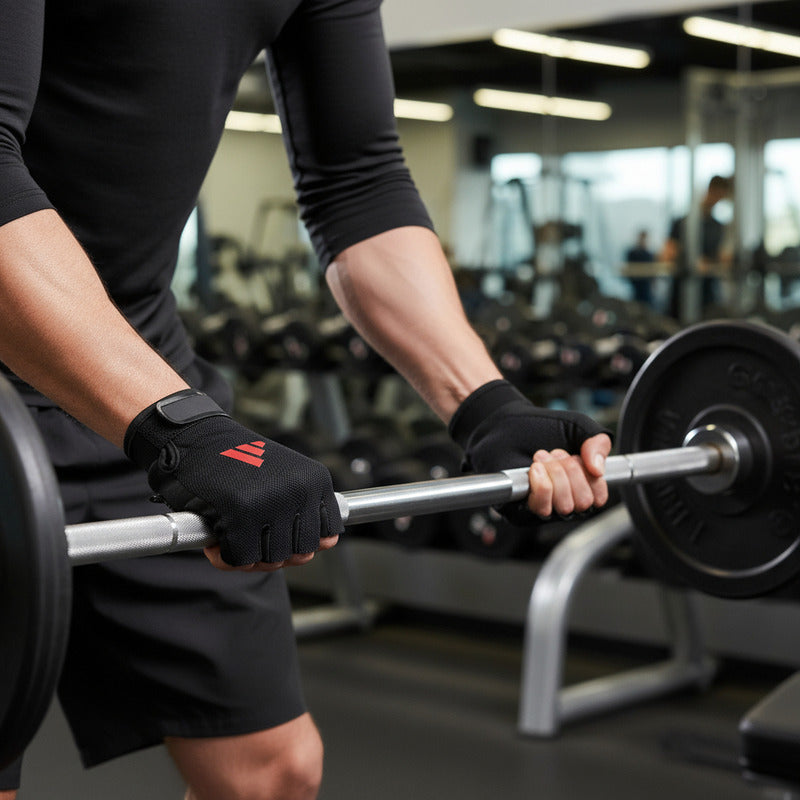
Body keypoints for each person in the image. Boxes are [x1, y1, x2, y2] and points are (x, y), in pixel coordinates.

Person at [0, 2, 612, 798]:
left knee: (271, 771)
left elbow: (358, 181)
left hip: (137, 358)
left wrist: (484, 403)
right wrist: (181, 425)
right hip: (77, 373)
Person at [660, 175, 734, 313]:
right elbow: (666, 255)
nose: (718, 199)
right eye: (717, 193)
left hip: (708, 294)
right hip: (682, 293)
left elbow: (722, 257)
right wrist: (688, 259)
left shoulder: (718, 227)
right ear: (710, 190)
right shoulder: (681, 223)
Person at [624, 229, 656, 307]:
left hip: (646, 286)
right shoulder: (632, 253)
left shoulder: (649, 254)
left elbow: (652, 271)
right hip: (636, 285)